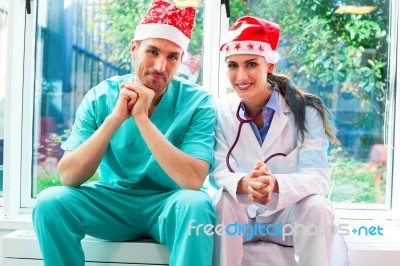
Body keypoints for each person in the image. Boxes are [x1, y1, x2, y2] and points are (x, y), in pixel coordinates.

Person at [32, 1, 216, 265]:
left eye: (172, 56)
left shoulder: (198, 102)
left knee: (197, 204)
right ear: (134, 49)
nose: (161, 66)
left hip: (170, 205)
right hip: (113, 204)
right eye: (152, 51)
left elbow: (193, 180)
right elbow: (69, 177)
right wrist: (116, 117)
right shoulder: (100, 96)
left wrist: (142, 119)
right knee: (50, 202)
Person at [208, 16, 349, 266]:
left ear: (269, 66)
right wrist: (245, 183)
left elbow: (319, 177)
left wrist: (274, 184)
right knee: (222, 200)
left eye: (251, 64)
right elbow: (218, 169)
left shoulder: (306, 112)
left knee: (318, 206)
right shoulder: (221, 110)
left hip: (285, 217)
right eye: (232, 65)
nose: (241, 75)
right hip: (243, 217)